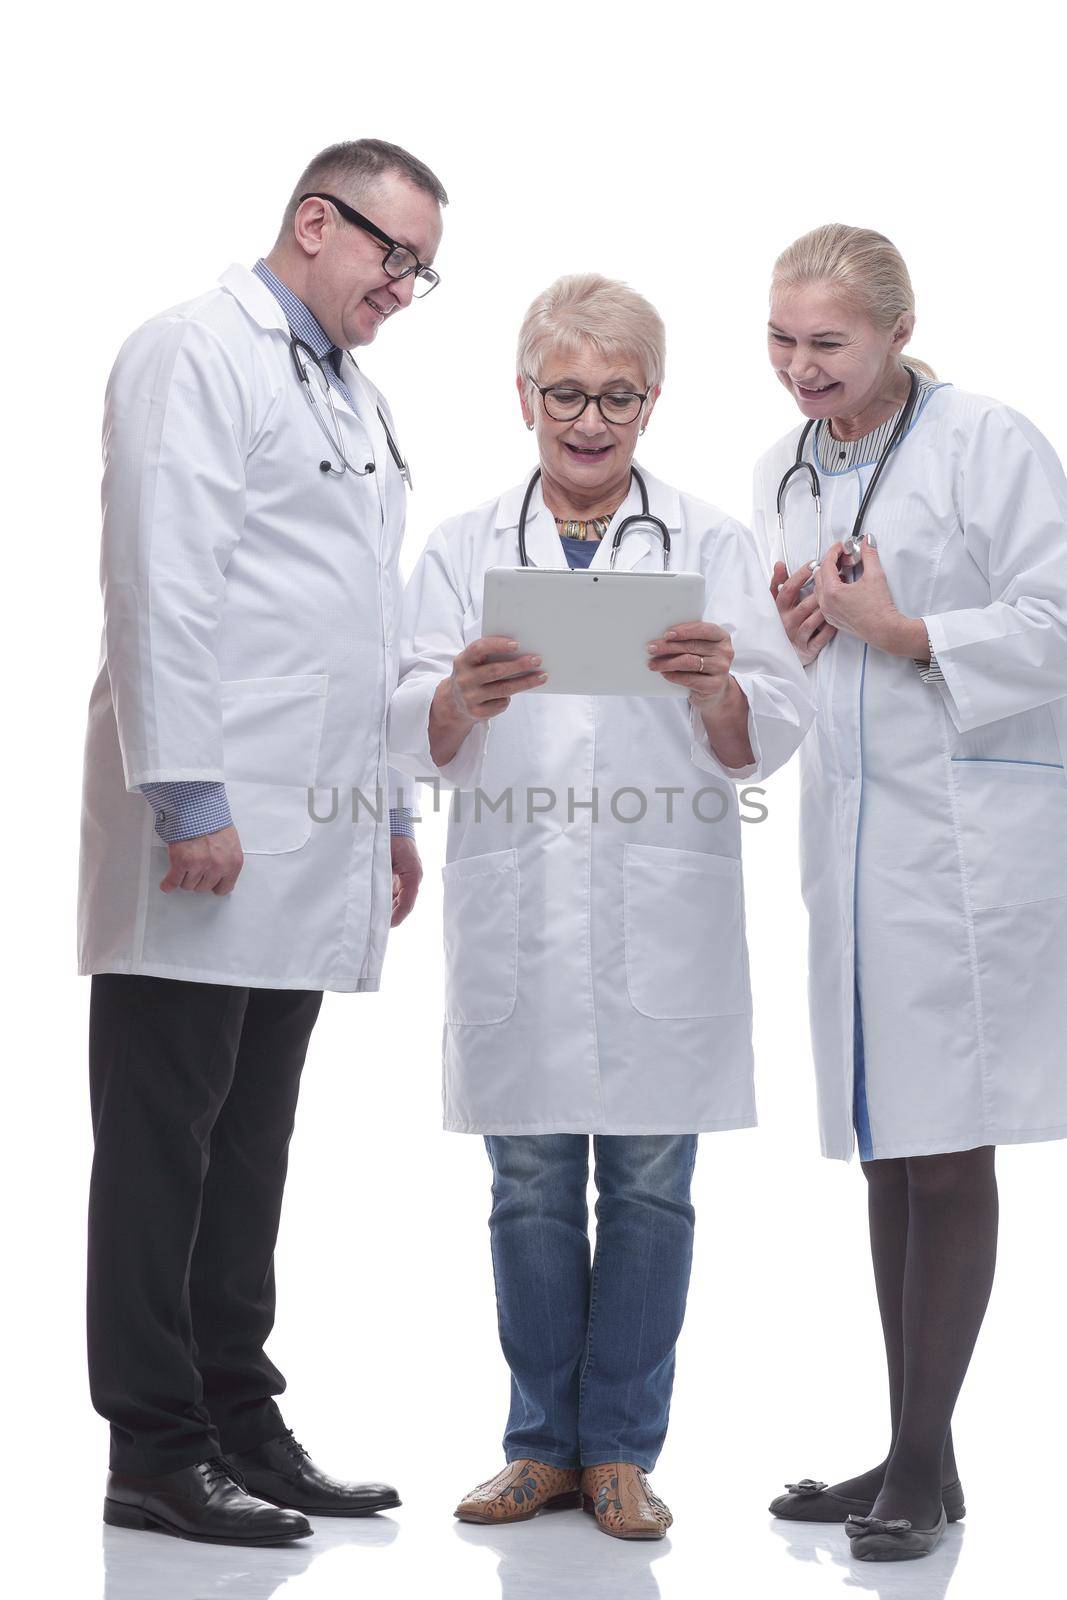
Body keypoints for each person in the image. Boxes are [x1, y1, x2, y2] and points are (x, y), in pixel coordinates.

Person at [388, 274, 813, 1540]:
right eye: (564, 392)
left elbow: (772, 725)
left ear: (651, 399)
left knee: (647, 1189)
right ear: (522, 394)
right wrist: (458, 697)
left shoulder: (708, 543)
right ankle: (538, 1448)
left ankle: (619, 1449)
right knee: (524, 1185)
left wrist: (718, 690)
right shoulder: (464, 545)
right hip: (516, 901)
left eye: (615, 395)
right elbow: (403, 717)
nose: (588, 420)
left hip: (659, 909)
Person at [78, 138, 446, 1546]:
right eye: (390, 256)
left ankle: (239, 1416)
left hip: (310, 829)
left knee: (250, 1142)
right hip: (210, 827)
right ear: (313, 221)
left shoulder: (346, 390)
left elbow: (349, 628)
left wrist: (391, 808)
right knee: (164, 1142)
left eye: (422, 268)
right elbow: (156, 575)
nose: (405, 287)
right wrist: (188, 796)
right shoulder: (195, 353)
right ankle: (152, 1450)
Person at [752, 223, 1067, 1562]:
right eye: (777, 339)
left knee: (944, 1152)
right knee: (887, 1145)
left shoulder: (985, 440)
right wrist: (798, 627)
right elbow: (814, 653)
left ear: (893, 330)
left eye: (825, 343)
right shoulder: (780, 470)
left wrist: (905, 631)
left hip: (966, 842)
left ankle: (920, 1464)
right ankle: (909, 1455)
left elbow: (1055, 621)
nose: (797, 368)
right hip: (854, 835)